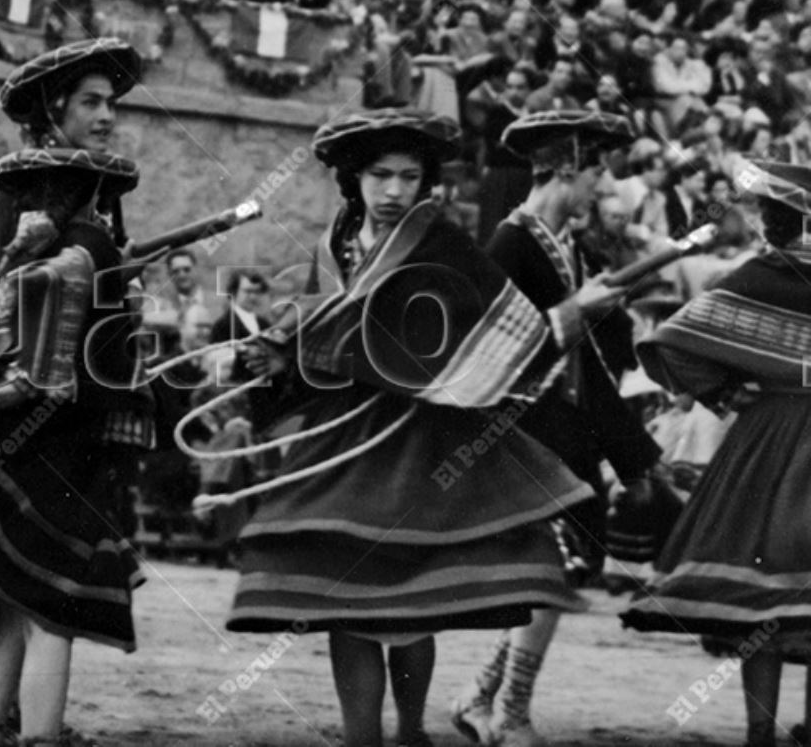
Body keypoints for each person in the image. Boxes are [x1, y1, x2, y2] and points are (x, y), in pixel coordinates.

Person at [226, 109, 596, 747]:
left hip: (421, 441)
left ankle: (409, 729)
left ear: (426, 182)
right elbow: (320, 335)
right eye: (379, 175)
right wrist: (280, 357)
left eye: (408, 176)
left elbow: (497, 334)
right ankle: (361, 734)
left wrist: (331, 345)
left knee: (410, 602)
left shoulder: (444, 244)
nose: (394, 190)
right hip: (344, 441)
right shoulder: (332, 248)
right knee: (349, 603)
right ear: (354, 178)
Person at [0, 38, 144, 744]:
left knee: (20, 596)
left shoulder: (92, 196)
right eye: (91, 101)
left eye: (111, 101)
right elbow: (15, 307)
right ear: (53, 108)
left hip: (70, 415)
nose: (107, 114)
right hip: (39, 420)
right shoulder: (23, 195)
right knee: (49, 601)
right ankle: (21, 728)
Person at [450, 110, 662, 747]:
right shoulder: (510, 244)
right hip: (520, 431)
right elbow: (496, 349)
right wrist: (577, 312)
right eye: (597, 170)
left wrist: (634, 459)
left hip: (564, 431)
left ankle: (483, 697)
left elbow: (590, 364)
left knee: (557, 573)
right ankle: (508, 712)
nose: (603, 187)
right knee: (551, 570)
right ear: (567, 168)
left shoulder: (565, 243)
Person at [623, 158, 811, 747]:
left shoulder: (756, 274)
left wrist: (729, 395)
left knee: (761, 600)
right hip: (786, 431)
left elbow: (672, 341)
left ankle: (761, 732)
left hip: (768, 434)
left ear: (772, 224)